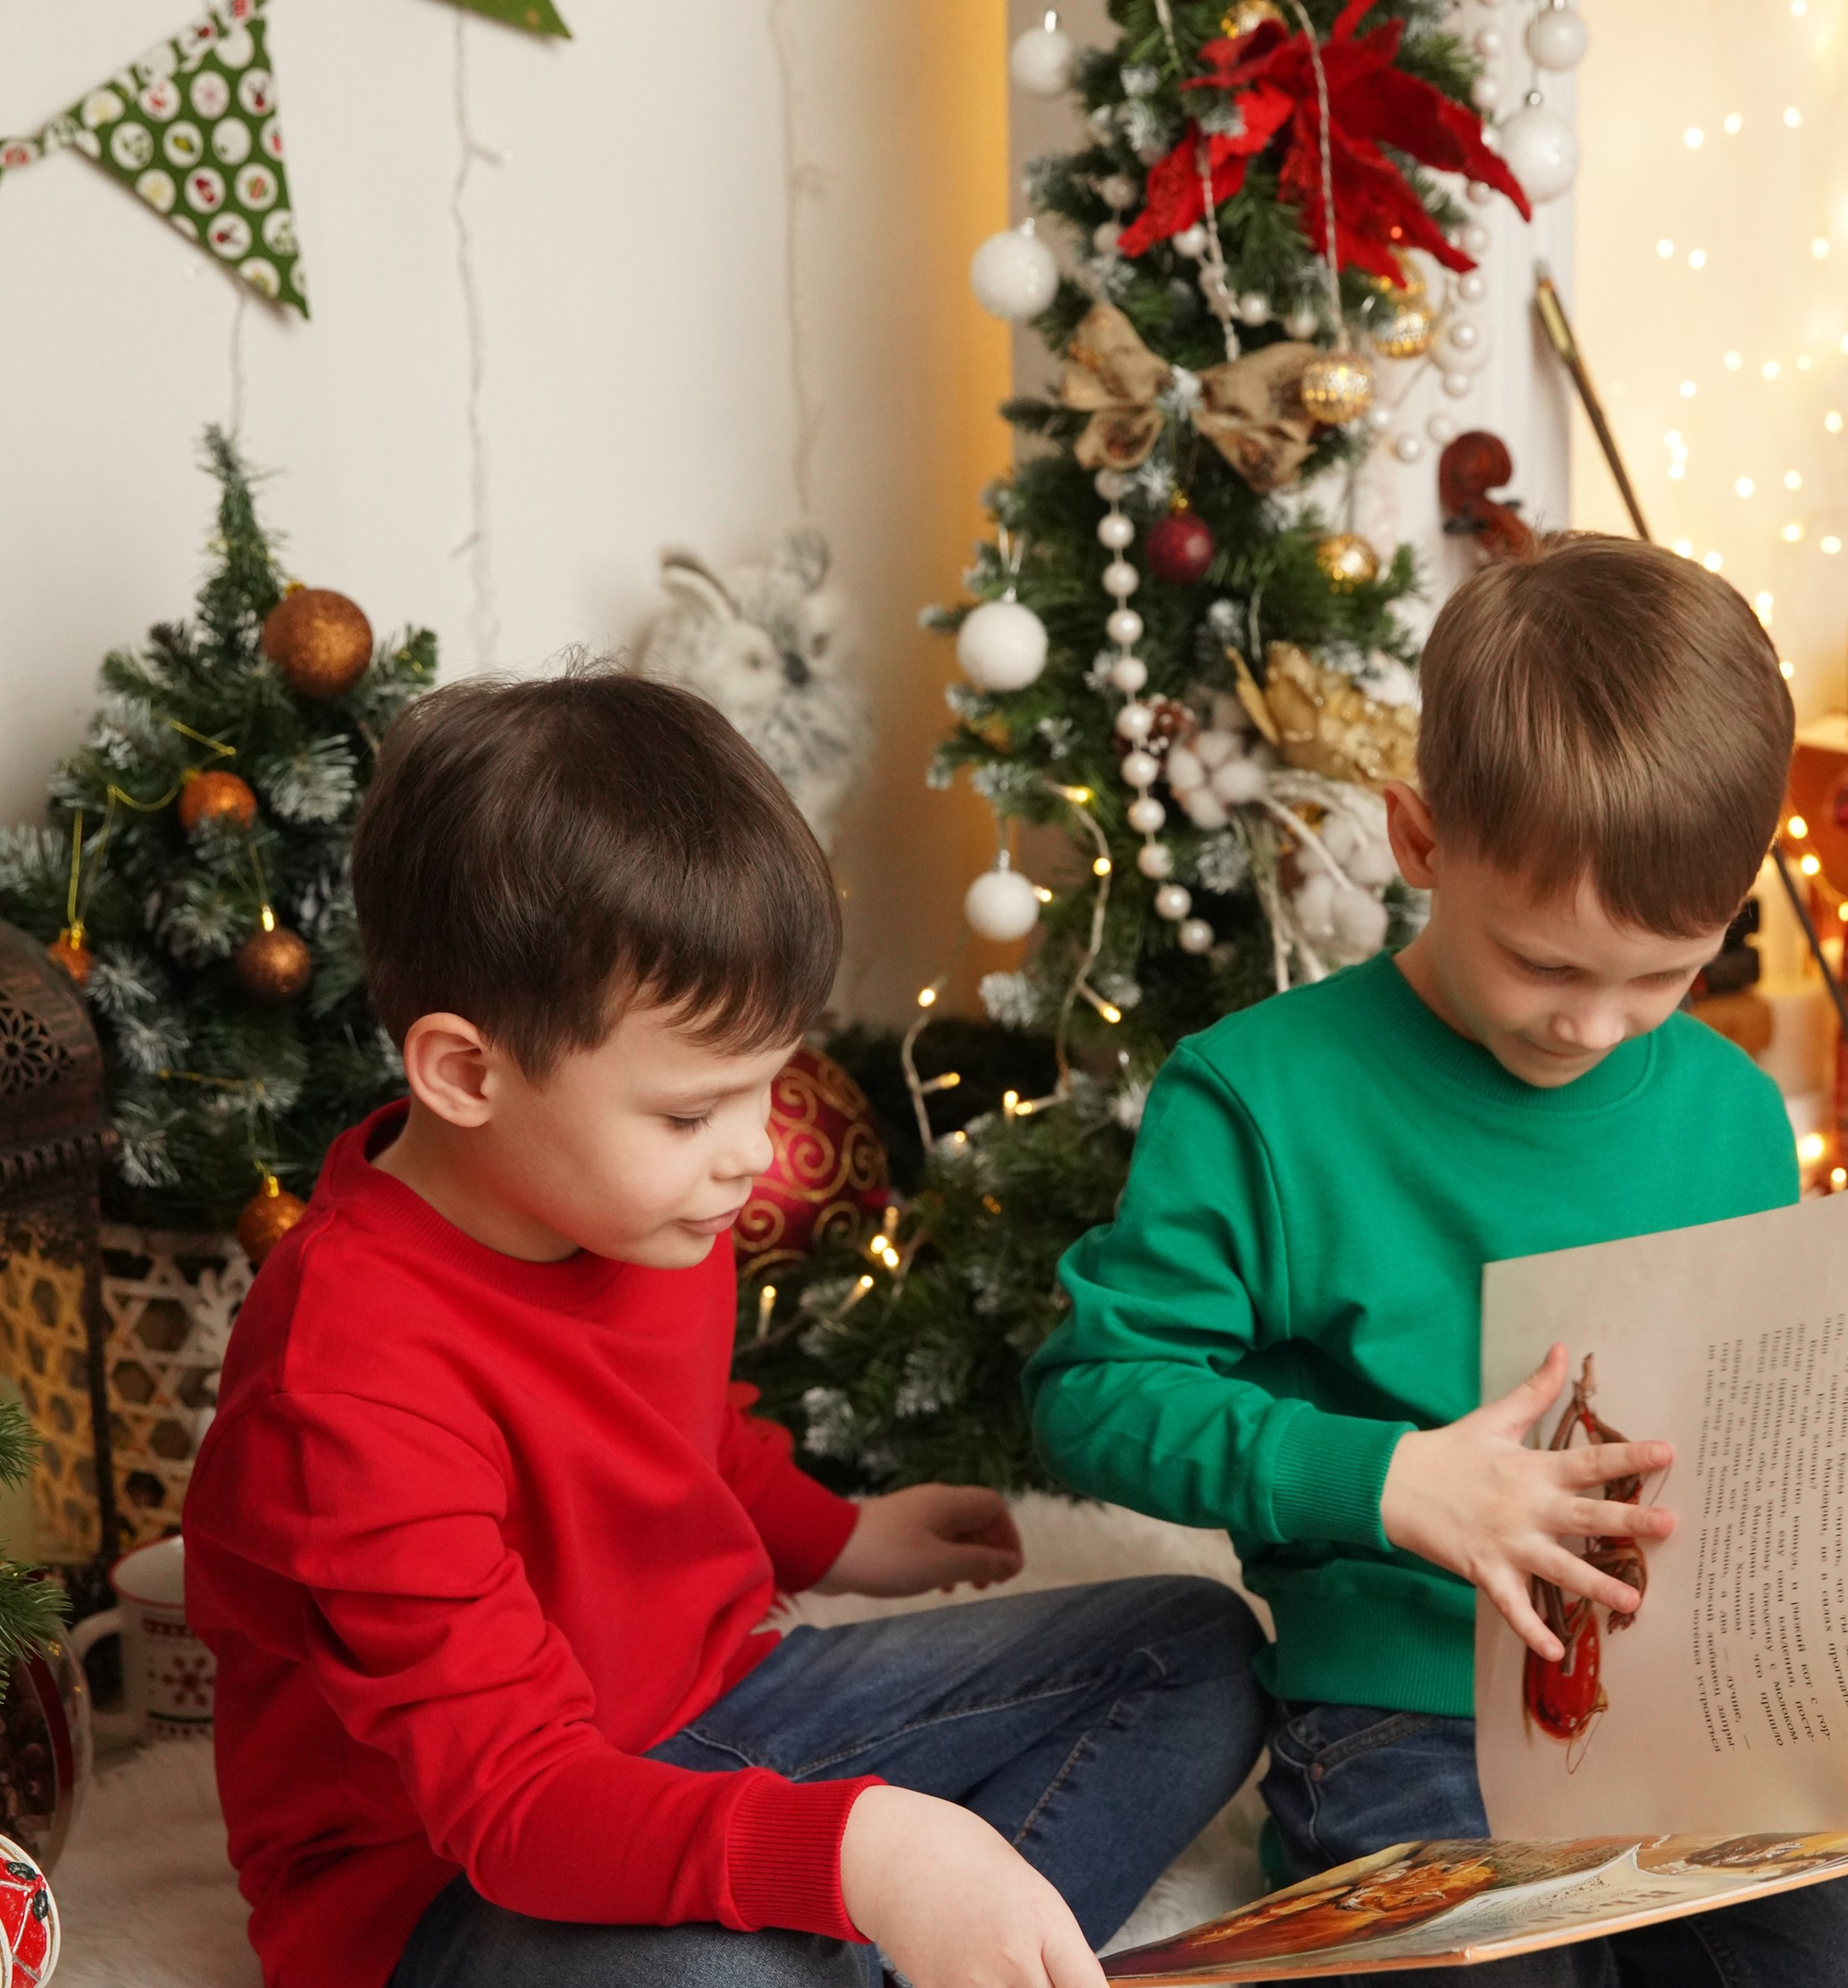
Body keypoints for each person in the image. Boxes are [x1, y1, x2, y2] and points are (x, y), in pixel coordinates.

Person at [1026, 539, 1848, 1988]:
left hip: (1692, 1703)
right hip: (1409, 1712)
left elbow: (1766, 1455)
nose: (1593, 1026)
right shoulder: (1259, 1098)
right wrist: (1390, 1480)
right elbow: (1091, 1398)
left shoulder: (1732, 1112)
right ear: (1420, 840)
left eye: (1664, 975)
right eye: (1544, 965)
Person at [183, 672, 1267, 1988]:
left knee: (1197, 1653)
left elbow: (686, 1433)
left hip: (713, 1716)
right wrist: (861, 1854)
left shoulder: (646, 1208)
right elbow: (514, 1807)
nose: (752, 1155)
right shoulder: (346, 1378)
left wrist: (842, 1539)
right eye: (692, 1113)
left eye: (770, 1082)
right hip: (452, 1878)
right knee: (720, 1975)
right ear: (467, 1073)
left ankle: (932, 1946)